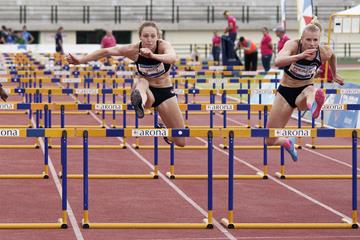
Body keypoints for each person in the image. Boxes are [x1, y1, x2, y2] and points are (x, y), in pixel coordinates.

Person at [66, 21, 185, 147]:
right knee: (141, 81)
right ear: (140, 36)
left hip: (165, 92)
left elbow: (172, 58)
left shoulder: (163, 46)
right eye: (145, 36)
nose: (149, 39)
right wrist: (80, 60)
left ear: (158, 37)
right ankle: (139, 102)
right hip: (147, 91)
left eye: (152, 36)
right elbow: (105, 52)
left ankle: (164, 131)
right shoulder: (133, 50)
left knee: (180, 141)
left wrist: (153, 55)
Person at [265, 18, 344, 161]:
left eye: (315, 40)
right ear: (301, 39)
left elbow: (332, 55)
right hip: (285, 92)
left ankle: (314, 102)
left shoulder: (323, 51)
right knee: (270, 140)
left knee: (308, 92)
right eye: (308, 40)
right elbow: (278, 61)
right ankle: (287, 142)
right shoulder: (293, 46)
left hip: (305, 90)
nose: (312, 44)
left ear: (319, 40)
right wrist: (299, 56)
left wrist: (335, 73)